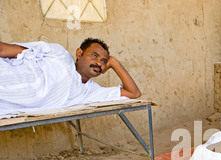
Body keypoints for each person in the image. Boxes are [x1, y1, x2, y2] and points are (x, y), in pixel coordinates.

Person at [0, 38, 141, 117]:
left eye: (104, 61)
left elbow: (134, 93)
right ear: (79, 53)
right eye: (95, 56)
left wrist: (114, 62)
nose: (99, 63)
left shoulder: (89, 92)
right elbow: (7, 50)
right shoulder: (59, 53)